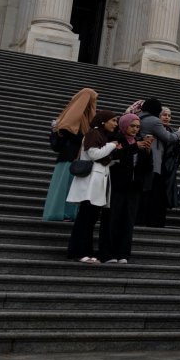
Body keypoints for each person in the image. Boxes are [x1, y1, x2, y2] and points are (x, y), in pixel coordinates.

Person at [65, 110, 119, 262]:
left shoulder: (100, 134)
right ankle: (79, 252)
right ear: (103, 121)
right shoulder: (94, 133)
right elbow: (94, 154)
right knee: (86, 219)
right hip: (91, 183)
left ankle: (85, 251)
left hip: (97, 182)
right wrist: (112, 145)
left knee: (89, 219)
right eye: (113, 121)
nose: (115, 124)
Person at [104, 113, 153, 264]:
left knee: (128, 220)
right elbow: (114, 157)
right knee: (112, 219)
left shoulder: (139, 142)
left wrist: (147, 152)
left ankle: (123, 253)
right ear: (124, 125)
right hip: (117, 185)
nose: (135, 129)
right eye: (132, 126)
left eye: (138, 127)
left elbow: (145, 167)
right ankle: (108, 253)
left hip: (134, 187)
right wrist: (133, 147)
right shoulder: (115, 139)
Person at [43, 88, 97, 222]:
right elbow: (68, 131)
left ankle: (69, 213)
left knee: (71, 186)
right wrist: (87, 138)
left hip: (73, 157)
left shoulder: (84, 116)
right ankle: (61, 213)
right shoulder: (75, 115)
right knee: (64, 186)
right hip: (70, 157)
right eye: (93, 99)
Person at [136, 98, 180, 228]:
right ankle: (147, 220)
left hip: (162, 167)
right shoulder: (155, 124)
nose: (166, 118)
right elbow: (168, 138)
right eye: (164, 115)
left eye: (169, 115)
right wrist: (178, 134)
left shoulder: (142, 119)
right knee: (150, 193)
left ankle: (150, 220)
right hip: (154, 164)